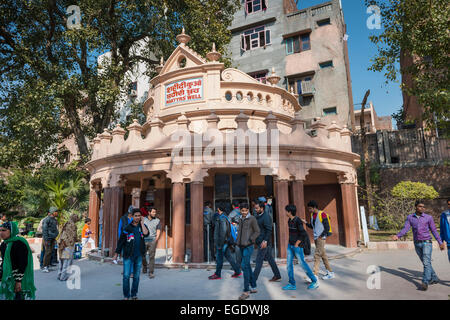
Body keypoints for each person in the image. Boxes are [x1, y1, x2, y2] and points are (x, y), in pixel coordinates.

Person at [392, 200, 445, 291]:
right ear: (416, 207)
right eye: (420, 206)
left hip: (427, 242)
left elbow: (434, 231)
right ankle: (435, 277)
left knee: (426, 262)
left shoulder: (428, 217)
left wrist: (440, 242)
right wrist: (398, 235)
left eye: (423, 207)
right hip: (417, 243)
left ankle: (425, 282)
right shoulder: (410, 217)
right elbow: (406, 228)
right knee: (426, 262)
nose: (422, 208)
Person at [113, 208, 149, 300]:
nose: (137, 217)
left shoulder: (142, 226)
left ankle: (134, 295)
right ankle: (126, 296)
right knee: (126, 276)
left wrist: (142, 223)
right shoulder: (127, 228)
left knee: (136, 277)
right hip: (128, 255)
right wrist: (116, 253)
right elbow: (121, 242)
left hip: (139, 256)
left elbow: (146, 234)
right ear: (132, 216)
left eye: (139, 216)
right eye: (135, 216)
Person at [283, 204, 319, 291]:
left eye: (286, 211)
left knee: (302, 264)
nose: (285, 212)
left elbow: (303, 233)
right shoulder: (289, 220)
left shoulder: (297, 221)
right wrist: (290, 244)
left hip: (297, 246)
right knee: (288, 265)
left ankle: (314, 281)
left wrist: (296, 244)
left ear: (289, 212)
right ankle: (292, 284)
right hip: (290, 245)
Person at [0, 221, 36, 300]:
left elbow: (23, 263)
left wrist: (18, 281)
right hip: (7, 277)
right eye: (0, 230)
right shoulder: (3, 244)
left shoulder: (20, 243)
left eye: (4, 230)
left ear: (12, 231)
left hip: (18, 277)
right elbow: (4, 261)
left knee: (18, 296)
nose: (1, 233)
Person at [302, 200, 334, 280]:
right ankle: (330, 273)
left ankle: (314, 275)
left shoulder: (322, 214)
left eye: (310, 209)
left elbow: (327, 227)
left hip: (321, 238)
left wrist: (321, 236)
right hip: (317, 238)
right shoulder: (313, 215)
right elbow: (313, 226)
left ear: (314, 207)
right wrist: (305, 223)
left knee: (317, 255)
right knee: (323, 256)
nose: (309, 210)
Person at [208, 206, 241, 280]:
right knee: (229, 256)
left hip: (222, 242)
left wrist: (220, 243)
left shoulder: (222, 218)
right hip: (225, 241)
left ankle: (217, 274)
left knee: (219, 258)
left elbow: (223, 231)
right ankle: (237, 271)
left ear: (219, 209)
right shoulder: (225, 217)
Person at [253, 201, 281, 283]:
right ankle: (277, 275)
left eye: (257, 208)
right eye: (255, 208)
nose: (255, 209)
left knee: (259, 261)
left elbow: (269, 230)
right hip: (260, 241)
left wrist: (265, 241)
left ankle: (253, 280)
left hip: (264, 242)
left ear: (262, 208)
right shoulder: (258, 216)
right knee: (270, 259)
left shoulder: (266, 217)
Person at [236, 203, 260, 300]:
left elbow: (257, 231)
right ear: (240, 211)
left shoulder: (252, 219)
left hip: (248, 246)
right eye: (242, 211)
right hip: (241, 245)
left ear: (248, 210)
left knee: (244, 266)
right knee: (247, 266)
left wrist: (251, 239)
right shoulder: (240, 218)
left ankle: (246, 291)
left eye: (246, 211)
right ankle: (253, 286)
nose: (244, 212)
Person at [57, 214, 79, 281]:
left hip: (61, 243)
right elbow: (74, 236)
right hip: (68, 244)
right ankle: (63, 277)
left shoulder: (66, 223)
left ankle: (59, 274)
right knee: (67, 260)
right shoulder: (73, 225)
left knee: (61, 260)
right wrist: (77, 240)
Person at [142, 207, 161, 278]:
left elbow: (158, 230)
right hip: (143, 240)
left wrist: (156, 239)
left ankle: (151, 272)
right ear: (149, 212)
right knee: (142, 256)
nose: (154, 213)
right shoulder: (143, 219)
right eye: (153, 212)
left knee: (151, 256)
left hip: (152, 240)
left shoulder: (157, 220)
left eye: (155, 212)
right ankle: (144, 266)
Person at [42, 207, 59, 273]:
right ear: (53, 212)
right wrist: (46, 239)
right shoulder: (46, 220)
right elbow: (44, 230)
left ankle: (48, 265)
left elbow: (55, 229)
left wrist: (56, 234)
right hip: (48, 239)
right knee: (47, 252)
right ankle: (45, 266)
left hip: (52, 238)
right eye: (56, 212)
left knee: (51, 252)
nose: (57, 213)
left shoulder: (54, 220)